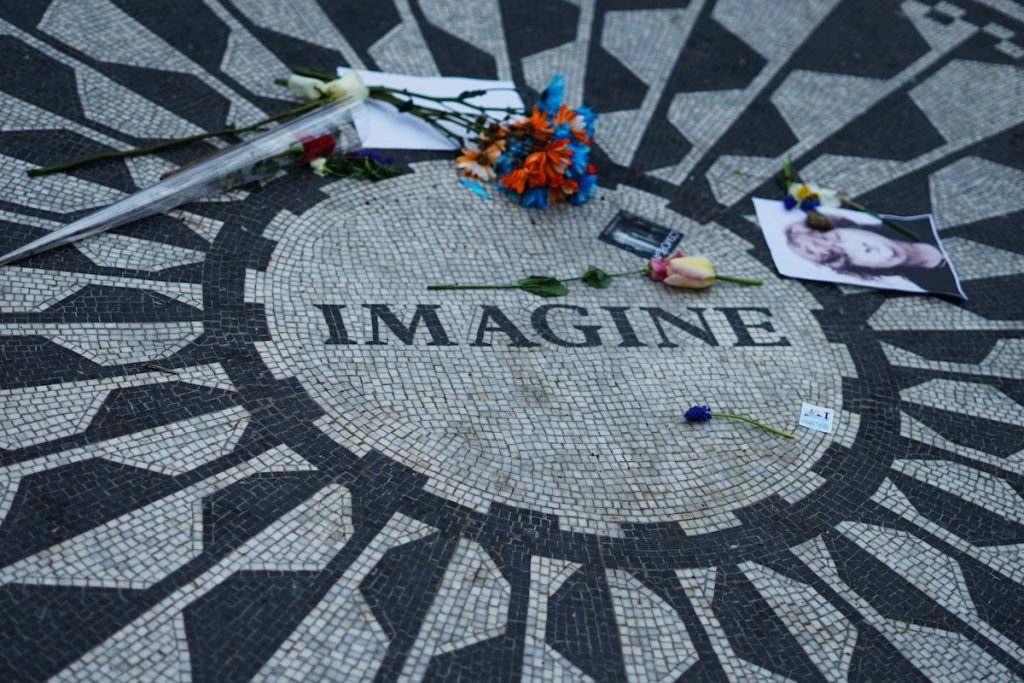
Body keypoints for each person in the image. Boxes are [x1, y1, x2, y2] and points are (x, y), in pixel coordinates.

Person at [782, 214, 962, 296]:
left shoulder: (914, 225)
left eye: (838, 237)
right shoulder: (934, 285)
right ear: (859, 268)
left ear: (849, 226)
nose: (861, 248)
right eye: (846, 256)